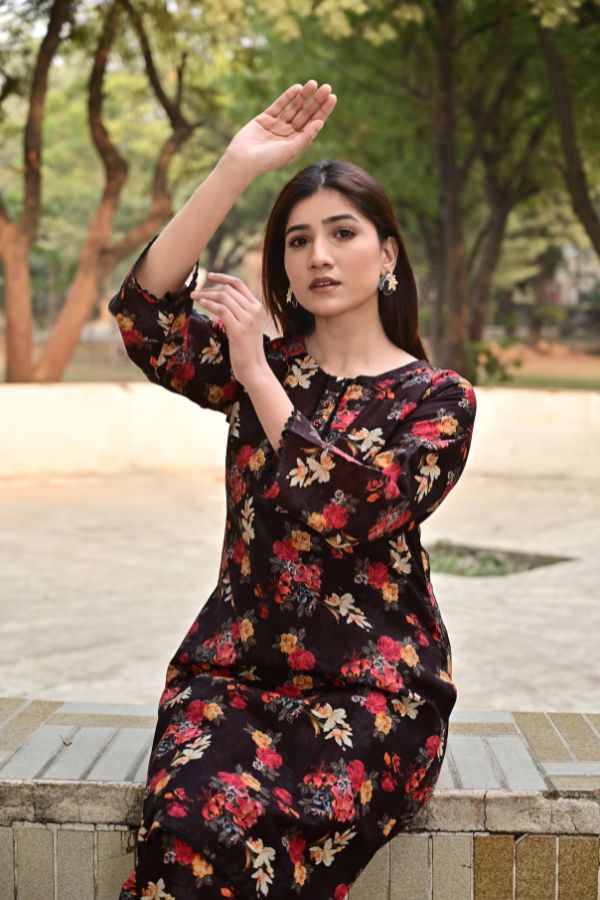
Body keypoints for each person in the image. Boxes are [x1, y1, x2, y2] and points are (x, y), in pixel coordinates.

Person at [110, 79, 477, 900]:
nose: (318, 256)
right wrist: (237, 167)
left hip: (375, 691)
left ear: (386, 254)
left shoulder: (437, 398)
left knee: (261, 827)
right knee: (189, 821)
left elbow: (353, 506)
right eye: (298, 240)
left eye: (342, 233)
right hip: (232, 674)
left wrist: (256, 375)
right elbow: (144, 317)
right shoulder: (262, 363)